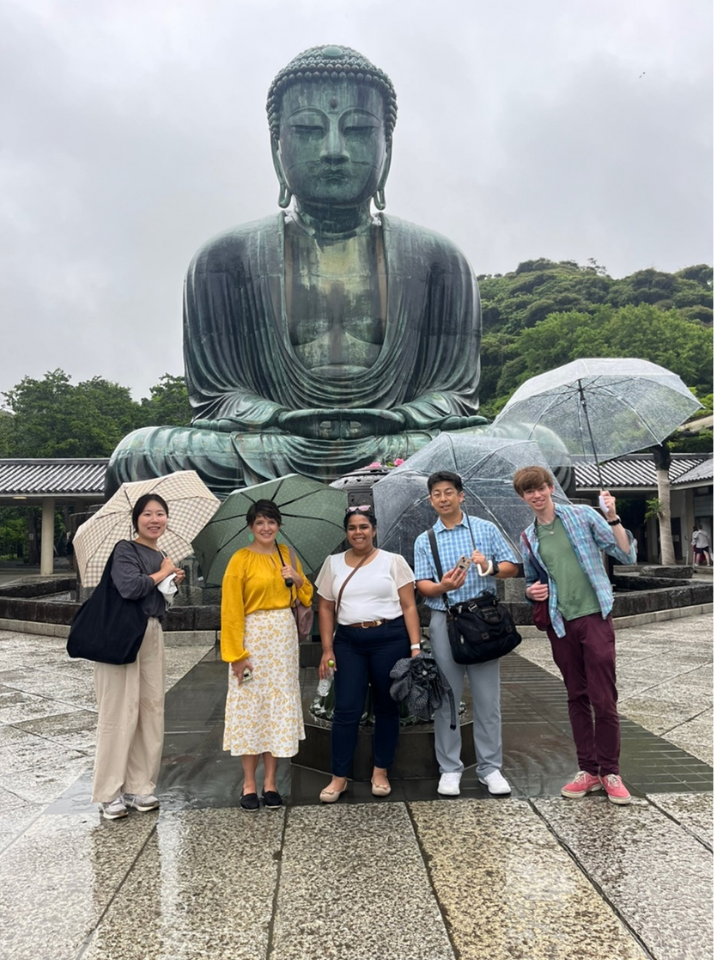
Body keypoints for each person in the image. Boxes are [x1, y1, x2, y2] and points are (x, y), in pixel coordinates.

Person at [105, 45, 485, 498]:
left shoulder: (439, 258)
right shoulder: (225, 258)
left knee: (538, 452)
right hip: (277, 444)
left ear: (388, 146)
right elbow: (217, 397)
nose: (333, 151)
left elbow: (454, 395)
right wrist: (275, 417)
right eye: (307, 128)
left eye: (359, 130)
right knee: (139, 453)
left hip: (396, 442)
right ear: (276, 146)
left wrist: (403, 416)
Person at [514, 466, 637, 805]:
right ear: (523, 498)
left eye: (540, 488)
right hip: (560, 622)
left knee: (603, 697)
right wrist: (532, 592)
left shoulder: (582, 515)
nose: (536, 496)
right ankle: (589, 770)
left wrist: (612, 517)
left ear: (550, 488)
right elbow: (531, 579)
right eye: (528, 492)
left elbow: (625, 553)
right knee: (576, 696)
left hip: (594, 615)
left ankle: (611, 770)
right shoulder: (529, 537)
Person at [414, 471, 520, 797]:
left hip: (483, 622)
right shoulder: (425, 539)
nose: (443, 498)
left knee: (488, 699)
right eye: (436, 494)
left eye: (449, 492)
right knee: (447, 697)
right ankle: (449, 768)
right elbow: (422, 585)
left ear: (461, 496)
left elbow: (512, 565)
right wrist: (443, 586)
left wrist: (487, 566)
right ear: (431, 500)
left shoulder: (484, 529)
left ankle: (491, 767)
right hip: (444, 620)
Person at [315, 505, 421, 802]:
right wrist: (326, 649)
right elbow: (324, 607)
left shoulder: (393, 561)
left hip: (389, 638)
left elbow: (409, 605)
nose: (358, 532)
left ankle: (380, 771)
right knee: (346, 708)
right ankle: (339, 777)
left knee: (387, 706)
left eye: (363, 527)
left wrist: (415, 647)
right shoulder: (333, 563)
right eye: (352, 528)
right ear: (346, 532)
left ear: (374, 530)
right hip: (348, 641)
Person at [92, 494, 185, 820]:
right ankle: (109, 792)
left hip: (151, 633)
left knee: (150, 710)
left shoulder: (161, 553)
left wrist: (170, 582)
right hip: (121, 637)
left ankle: (139, 787)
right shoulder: (125, 549)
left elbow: (159, 602)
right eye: (148, 514)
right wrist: (163, 573)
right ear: (136, 519)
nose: (155, 519)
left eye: (161, 513)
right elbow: (130, 587)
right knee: (120, 710)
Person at [221, 499, 313, 810]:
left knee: (275, 708)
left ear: (279, 525)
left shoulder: (286, 554)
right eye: (260, 522)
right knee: (251, 708)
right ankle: (249, 783)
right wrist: (236, 654)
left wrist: (298, 578)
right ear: (250, 527)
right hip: (253, 639)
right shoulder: (240, 560)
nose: (266, 528)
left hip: (283, 641)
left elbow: (306, 594)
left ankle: (271, 782)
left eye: (271, 522)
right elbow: (231, 610)